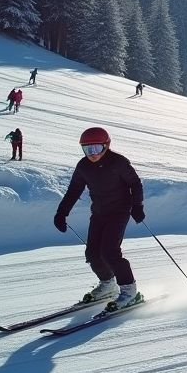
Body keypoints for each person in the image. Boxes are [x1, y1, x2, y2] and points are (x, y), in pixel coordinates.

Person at [54, 127, 145, 311]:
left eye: (96, 149)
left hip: (119, 211)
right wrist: (61, 213)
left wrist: (137, 206)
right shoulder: (83, 167)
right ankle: (107, 285)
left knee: (110, 252)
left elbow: (135, 184)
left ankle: (130, 291)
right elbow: (74, 191)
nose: (92, 154)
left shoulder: (118, 162)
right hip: (99, 212)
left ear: (107, 146)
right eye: (88, 150)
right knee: (93, 254)